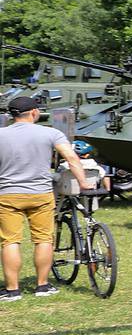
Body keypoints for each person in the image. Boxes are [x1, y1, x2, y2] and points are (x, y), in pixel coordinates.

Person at [0, 94, 96, 299]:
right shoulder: (51, 133)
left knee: (10, 242)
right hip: (41, 194)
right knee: (43, 239)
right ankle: (42, 286)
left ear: (11, 116)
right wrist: (83, 183)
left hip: (8, 194)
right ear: (34, 112)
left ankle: (12, 290)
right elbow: (71, 158)